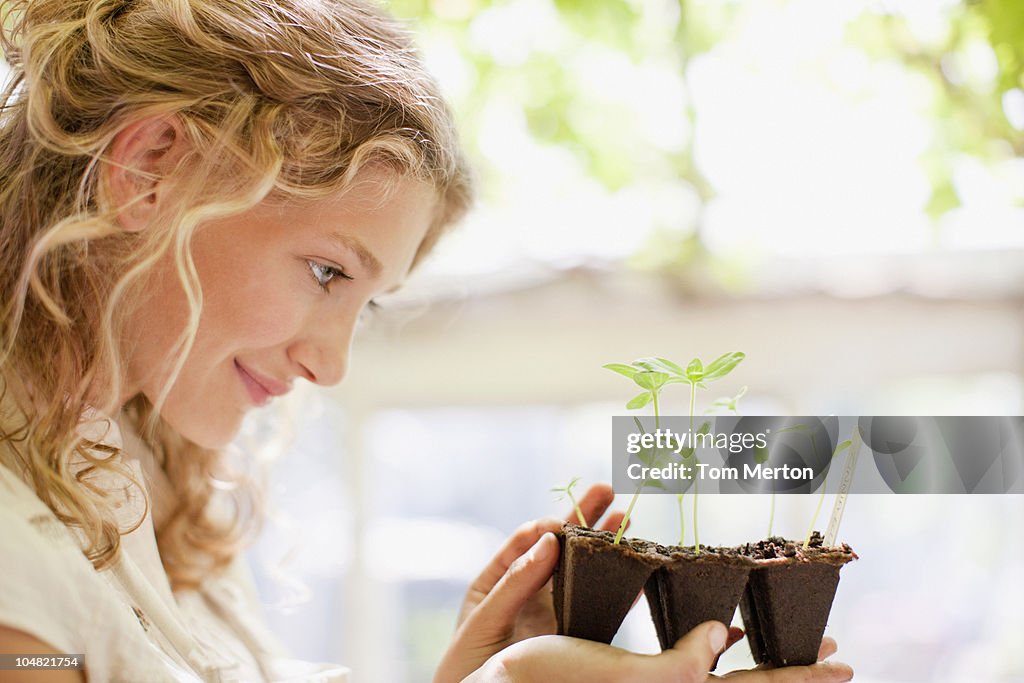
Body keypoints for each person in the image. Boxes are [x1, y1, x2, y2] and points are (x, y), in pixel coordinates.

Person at [0, 1, 855, 681]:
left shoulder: (135, 479)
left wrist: (467, 673)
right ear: (149, 165)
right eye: (329, 271)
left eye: (365, 305)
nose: (328, 364)